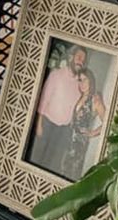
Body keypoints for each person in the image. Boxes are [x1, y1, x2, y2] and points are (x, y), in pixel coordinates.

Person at [26, 45, 88, 177]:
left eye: (83, 59)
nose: (81, 61)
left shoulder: (80, 83)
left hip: (63, 131)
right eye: (79, 57)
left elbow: (79, 103)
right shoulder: (56, 74)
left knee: (52, 164)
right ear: (71, 57)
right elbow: (43, 100)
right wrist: (38, 124)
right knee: (36, 159)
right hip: (47, 124)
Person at [61, 70, 106, 181]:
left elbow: (108, 122)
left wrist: (92, 133)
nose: (81, 83)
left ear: (91, 81)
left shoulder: (95, 99)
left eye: (84, 80)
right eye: (80, 80)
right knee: (62, 170)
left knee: (72, 176)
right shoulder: (82, 97)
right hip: (69, 141)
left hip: (79, 146)